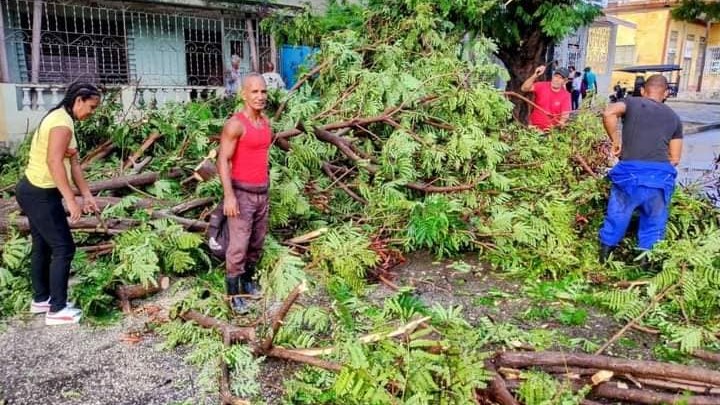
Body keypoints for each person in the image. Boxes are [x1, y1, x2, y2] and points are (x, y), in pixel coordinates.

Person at [15, 82, 101, 325]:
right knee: (64, 248)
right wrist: (71, 201)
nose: (91, 112)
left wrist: (87, 195)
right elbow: (54, 163)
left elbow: (73, 165)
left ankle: (41, 299)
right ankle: (57, 309)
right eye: (91, 107)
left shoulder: (64, 119)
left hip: (33, 190)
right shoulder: (62, 124)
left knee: (42, 245)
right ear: (79, 100)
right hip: (40, 193)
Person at [598, 74, 683, 264]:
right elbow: (675, 159)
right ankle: (645, 265)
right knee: (654, 223)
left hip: (630, 176)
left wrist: (615, 140)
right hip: (659, 179)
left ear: (643, 91)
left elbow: (609, 113)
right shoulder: (675, 118)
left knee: (618, 215)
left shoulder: (632, 102)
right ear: (666, 93)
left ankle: (604, 260)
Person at [217, 73, 271, 314]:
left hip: (262, 192)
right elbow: (222, 160)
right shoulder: (235, 124)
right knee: (238, 245)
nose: (259, 96)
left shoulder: (265, 122)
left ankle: (248, 282)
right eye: (254, 92)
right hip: (241, 194)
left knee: (256, 242)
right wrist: (229, 196)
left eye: (263, 92)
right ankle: (234, 294)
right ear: (244, 95)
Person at [520, 65, 571, 131]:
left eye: (561, 78)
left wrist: (559, 125)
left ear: (565, 81)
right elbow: (524, 88)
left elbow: (565, 115)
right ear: (553, 77)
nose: (557, 79)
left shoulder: (566, 95)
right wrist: (535, 75)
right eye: (556, 76)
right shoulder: (541, 86)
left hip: (551, 131)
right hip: (534, 128)